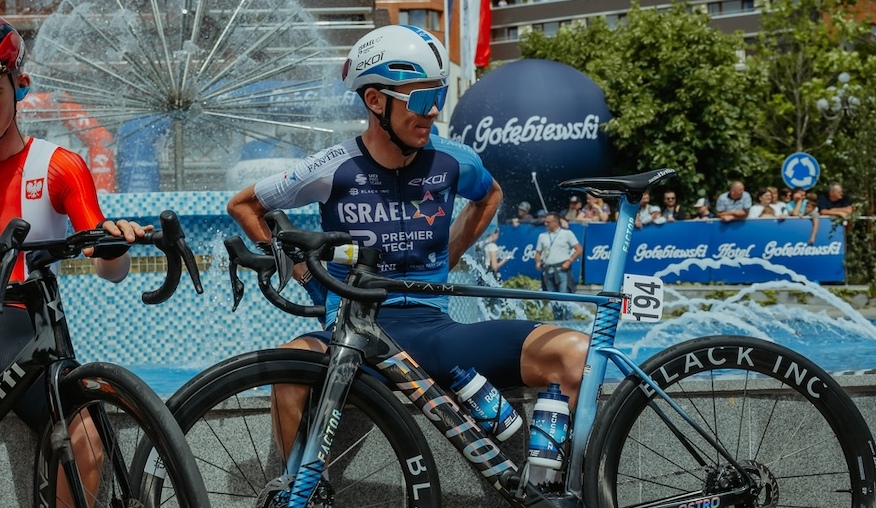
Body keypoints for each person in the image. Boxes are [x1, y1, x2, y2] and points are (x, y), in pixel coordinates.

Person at [226, 25, 590, 479]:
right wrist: (305, 274)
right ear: (375, 101)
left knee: (574, 353)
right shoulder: (332, 166)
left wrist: (449, 256)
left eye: (439, 95)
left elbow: (490, 196)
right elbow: (244, 206)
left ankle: (551, 491)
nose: (434, 110)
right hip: (356, 335)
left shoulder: (454, 160)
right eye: (421, 98)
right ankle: (306, 495)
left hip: (435, 330)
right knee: (289, 367)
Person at [0, 18, 151, 506]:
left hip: (29, 331)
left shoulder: (58, 165)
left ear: (20, 85)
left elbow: (110, 267)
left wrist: (114, 247)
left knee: (87, 444)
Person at [534, 212, 583, 321]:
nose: (545, 224)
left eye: (548, 222)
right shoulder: (542, 236)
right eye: (545, 222)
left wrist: (569, 261)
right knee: (553, 299)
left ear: (556, 222)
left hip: (562, 269)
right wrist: (537, 262)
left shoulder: (567, 234)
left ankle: (569, 321)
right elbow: (538, 253)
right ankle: (557, 321)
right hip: (548, 270)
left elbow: (578, 249)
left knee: (564, 297)